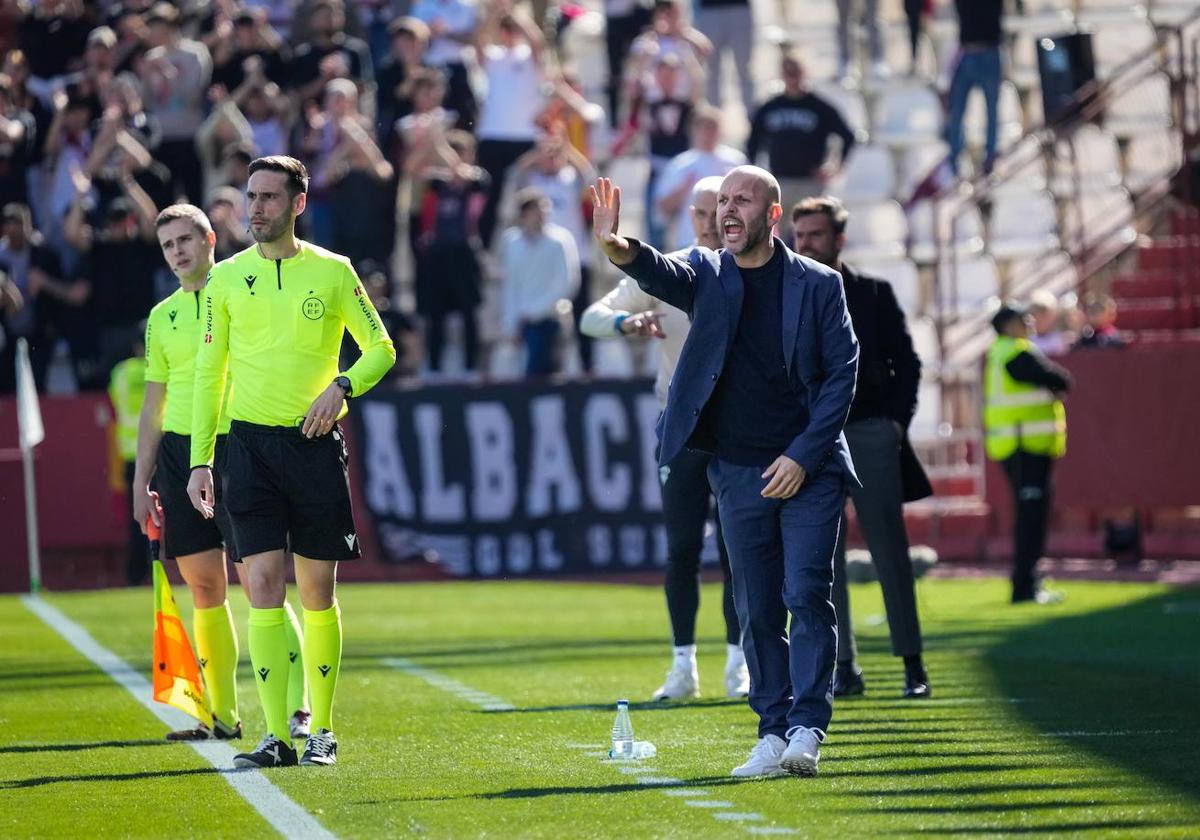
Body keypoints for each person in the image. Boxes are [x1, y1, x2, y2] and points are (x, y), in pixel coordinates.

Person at [592, 168, 858, 779]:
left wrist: (801, 456)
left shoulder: (818, 285)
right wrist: (619, 247)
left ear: (772, 214)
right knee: (757, 606)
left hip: (809, 469)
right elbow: (662, 270)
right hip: (738, 472)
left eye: (742, 202)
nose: (727, 212)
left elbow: (842, 378)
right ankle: (771, 732)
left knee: (806, 596)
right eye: (723, 203)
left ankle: (807, 728)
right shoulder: (709, 275)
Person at [186, 156, 395, 767]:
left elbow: (381, 348)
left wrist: (342, 389)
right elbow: (208, 373)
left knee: (318, 592)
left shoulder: (333, 273)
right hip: (246, 449)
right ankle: (275, 735)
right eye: (252, 197)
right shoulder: (224, 280)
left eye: (270, 198)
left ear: (298, 204)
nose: (256, 209)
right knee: (260, 587)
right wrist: (201, 460)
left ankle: (321, 730)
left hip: (312, 446)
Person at [136, 203, 311, 742]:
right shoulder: (161, 317)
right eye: (168, 245)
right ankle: (220, 716)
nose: (178, 252)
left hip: (239, 445)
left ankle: (298, 708)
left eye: (186, 239)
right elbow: (152, 405)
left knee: (261, 582)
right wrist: (143, 483)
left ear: (210, 239)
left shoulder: (241, 289)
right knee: (204, 586)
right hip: (177, 455)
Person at [581, 176, 748, 701]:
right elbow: (591, 318)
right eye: (700, 211)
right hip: (679, 425)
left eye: (717, 208)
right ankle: (683, 667)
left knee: (737, 547)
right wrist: (628, 322)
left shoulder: (754, 270)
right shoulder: (669, 269)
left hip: (740, 427)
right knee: (681, 548)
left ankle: (740, 663)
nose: (708, 220)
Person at [791, 196, 932, 700]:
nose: (805, 243)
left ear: (839, 239)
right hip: (811, 439)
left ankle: (913, 665)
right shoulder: (786, 293)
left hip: (870, 429)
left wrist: (895, 422)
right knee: (820, 558)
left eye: (816, 235)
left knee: (890, 550)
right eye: (800, 234)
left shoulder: (873, 293)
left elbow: (908, 363)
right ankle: (842, 668)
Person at [984, 303, 1070, 604]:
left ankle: (1029, 581)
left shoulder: (1004, 351)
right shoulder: (1015, 352)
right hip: (1024, 447)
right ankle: (1025, 585)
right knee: (1030, 516)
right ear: (1008, 325)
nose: (1029, 321)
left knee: (1030, 515)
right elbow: (1061, 379)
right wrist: (1056, 386)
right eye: (1023, 318)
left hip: (1021, 446)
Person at [747, 55, 857, 215]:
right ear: (782, 75)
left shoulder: (819, 107)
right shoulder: (769, 107)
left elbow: (848, 136)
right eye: (788, 73)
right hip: (779, 181)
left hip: (810, 181)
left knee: (810, 230)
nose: (792, 78)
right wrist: (757, 173)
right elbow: (753, 142)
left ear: (804, 73)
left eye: (796, 72)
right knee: (779, 235)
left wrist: (835, 166)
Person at [499, 187, 579, 377]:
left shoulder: (560, 240)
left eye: (545, 210)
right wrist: (512, 324)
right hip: (522, 325)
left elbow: (568, 282)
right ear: (525, 214)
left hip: (551, 321)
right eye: (537, 211)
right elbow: (511, 285)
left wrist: (535, 311)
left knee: (546, 378)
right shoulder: (511, 241)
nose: (543, 215)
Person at [654, 106, 746, 252]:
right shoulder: (680, 164)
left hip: (730, 241)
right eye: (703, 128)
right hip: (689, 241)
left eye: (712, 127)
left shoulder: (736, 162)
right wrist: (683, 189)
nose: (708, 133)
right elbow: (663, 208)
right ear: (693, 130)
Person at [108, 327, 149, 585]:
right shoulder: (159, 370)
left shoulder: (120, 373)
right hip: (159, 452)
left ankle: (136, 575)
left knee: (138, 521)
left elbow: (113, 401)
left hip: (130, 454)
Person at [945, 0, 1003, 176]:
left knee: (990, 112)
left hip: (986, 52)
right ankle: (955, 161)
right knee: (957, 112)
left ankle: (989, 159)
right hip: (971, 52)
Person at [692, 0, 754, 112]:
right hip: (709, 11)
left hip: (739, 9)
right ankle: (713, 117)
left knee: (744, 68)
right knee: (710, 69)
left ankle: (752, 117)